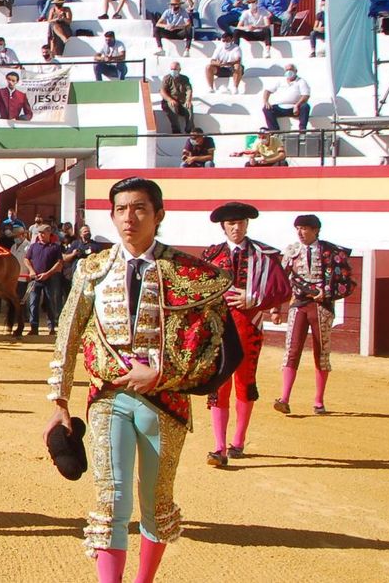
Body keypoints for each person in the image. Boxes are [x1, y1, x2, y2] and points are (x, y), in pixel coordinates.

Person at [47, 176, 231, 582]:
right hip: (108, 396)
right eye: (121, 210)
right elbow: (69, 334)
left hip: (166, 402)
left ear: (159, 214)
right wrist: (59, 401)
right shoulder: (92, 269)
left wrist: (163, 373)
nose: (129, 217)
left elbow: (212, 348)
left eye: (139, 209)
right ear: (112, 216)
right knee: (111, 500)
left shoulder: (188, 273)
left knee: (156, 502)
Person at [202, 201, 292, 468]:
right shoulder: (212, 255)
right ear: (223, 227)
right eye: (231, 224)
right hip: (218, 328)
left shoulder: (263, 255)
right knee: (219, 384)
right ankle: (219, 446)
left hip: (248, 327)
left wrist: (255, 298)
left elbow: (283, 290)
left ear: (246, 225)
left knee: (244, 381)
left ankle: (238, 441)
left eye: (240, 223)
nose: (236, 228)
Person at [277, 215, 354, 416]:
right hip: (299, 305)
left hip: (322, 307)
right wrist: (276, 309)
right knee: (292, 350)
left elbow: (346, 281)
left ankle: (319, 401)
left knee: (321, 353)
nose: (300, 233)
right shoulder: (291, 251)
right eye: (298, 229)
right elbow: (281, 282)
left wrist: (328, 293)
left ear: (316, 230)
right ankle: (284, 398)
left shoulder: (332, 252)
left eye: (304, 228)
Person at [24, 224, 66, 336]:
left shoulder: (55, 247)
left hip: (50, 279)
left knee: (50, 303)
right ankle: (34, 328)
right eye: (39, 233)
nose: (41, 235)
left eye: (43, 233)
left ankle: (51, 327)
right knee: (33, 303)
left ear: (49, 233)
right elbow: (26, 259)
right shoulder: (33, 246)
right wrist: (31, 271)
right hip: (35, 279)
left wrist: (48, 274)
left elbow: (59, 263)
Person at [262, 65, 311, 131]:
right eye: (287, 70)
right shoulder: (280, 81)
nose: (289, 71)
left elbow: (306, 95)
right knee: (266, 109)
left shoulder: (301, 81)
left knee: (305, 106)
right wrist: (266, 101)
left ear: (295, 71)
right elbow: (267, 91)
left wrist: (297, 105)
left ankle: (302, 130)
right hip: (280, 108)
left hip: (295, 108)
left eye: (290, 69)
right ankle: (275, 132)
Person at [158, 62, 193, 134]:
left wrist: (188, 100)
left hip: (181, 102)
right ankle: (176, 131)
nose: (173, 71)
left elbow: (189, 90)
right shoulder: (167, 78)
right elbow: (162, 91)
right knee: (172, 107)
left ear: (179, 69)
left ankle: (189, 130)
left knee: (189, 107)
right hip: (170, 102)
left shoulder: (185, 78)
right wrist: (170, 100)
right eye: (172, 69)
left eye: (175, 69)